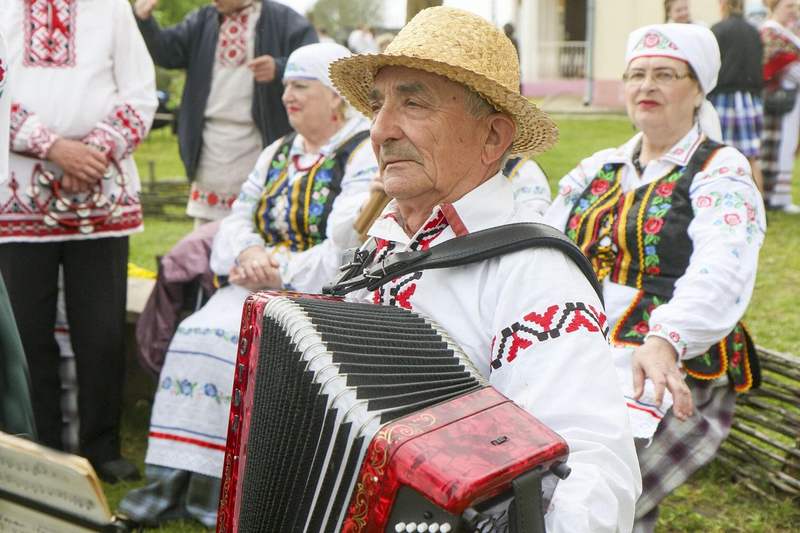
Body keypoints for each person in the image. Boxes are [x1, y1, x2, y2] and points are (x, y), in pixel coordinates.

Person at [329, 7, 641, 532]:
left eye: (413, 102)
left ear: (493, 137)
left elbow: (592, 464)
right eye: (379, 105)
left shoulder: (532, 272)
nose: (380, 129)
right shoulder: (379, 250)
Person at [119, 42, 377, 528]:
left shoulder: (362, 153)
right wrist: (249, 253)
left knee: (223, 342)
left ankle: (213, 493)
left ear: (336, 95)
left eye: (300, 86)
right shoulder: (279, 151)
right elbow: (239, 217)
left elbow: (347, 246)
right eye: (285, 87)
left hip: (314, 297)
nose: (286, 97)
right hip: (256, 284)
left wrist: (278, 270)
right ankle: (169, 483)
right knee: (194, 334)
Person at [545, 23, 765, 532]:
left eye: (666, 74)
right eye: (637, 75)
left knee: (597, 491)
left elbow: (724, 262)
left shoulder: (720, 170)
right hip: (586, 344)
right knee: (541, 470)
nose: (647, 86)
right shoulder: (599, 169)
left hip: (671, 360)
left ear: (697, 91)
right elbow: (542, 244)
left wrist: (668, 337)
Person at [0, 0, 157, 481]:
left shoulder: (111, 7)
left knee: (102, 331)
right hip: (18, 195)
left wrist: (93, 153)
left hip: (101, 196)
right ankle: (39, 450)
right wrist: (53, 147)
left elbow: (140, 92)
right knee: (27, 333)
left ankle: (101, 448)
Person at [133, 0, 318, 223]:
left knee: (255, 225)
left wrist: (279, 67)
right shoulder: (202, 20)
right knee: (207, 234)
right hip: (210, 147)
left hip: (260, 143)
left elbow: (313, 64)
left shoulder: (286, 21)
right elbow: (168, 53)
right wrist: (145, 21)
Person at [709, 0, 765, 193]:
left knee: (716, 155)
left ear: (723, 4)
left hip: (724, 98)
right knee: (751, 158)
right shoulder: (753, 31)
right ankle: (760, 209)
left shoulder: (717, 30)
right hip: (750, 99)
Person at [760, 0, 800, 213]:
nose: (793, 11)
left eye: (795, 6)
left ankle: (781, 194)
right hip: (780, 99)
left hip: (792, 98)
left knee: (788, 144)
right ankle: (774, 196)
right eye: (788, 6)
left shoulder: (787, 32)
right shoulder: (770, 32)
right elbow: (780, 65)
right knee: (779, 144)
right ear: (774, 7)